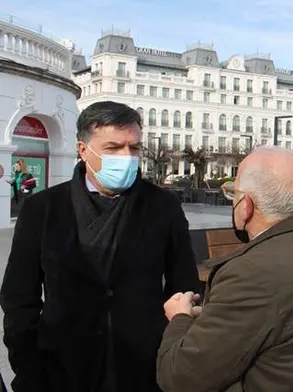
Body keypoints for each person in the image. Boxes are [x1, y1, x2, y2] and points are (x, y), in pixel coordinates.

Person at [0, 101, 199, 392]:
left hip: (144, 366)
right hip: (61, 366)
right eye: (113, 147)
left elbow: (183, 282)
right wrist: (28, 368)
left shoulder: (162, 205)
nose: (127, 157)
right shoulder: (43, 208)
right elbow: (19, 298)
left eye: (134, 148)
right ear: (83, 150)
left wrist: (173, 352)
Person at [157, 147, 293, 392]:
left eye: (234, 193)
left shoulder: (251, 274)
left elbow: (180, 377)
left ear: (246, 205)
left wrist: (180, 318)